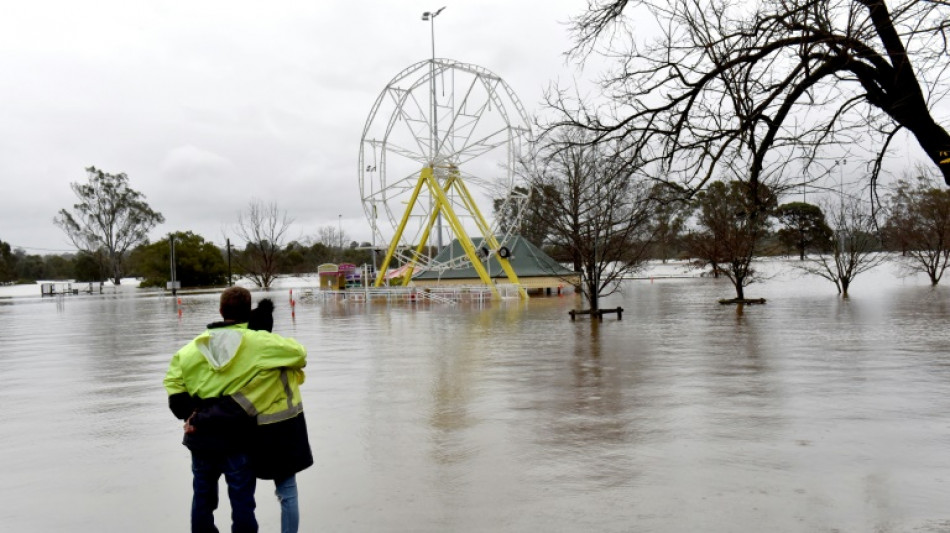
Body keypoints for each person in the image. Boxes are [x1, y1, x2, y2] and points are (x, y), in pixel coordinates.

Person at [164, 287, 307, 533]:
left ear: (220, 310)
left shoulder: (191, 349)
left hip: (200, 435)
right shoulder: (259, 342)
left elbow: (173, 385)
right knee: (242, 502)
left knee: (202, 499)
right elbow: (299, 355)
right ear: (249, 312)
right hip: (237, 435)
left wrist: (191, 415)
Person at [240, 298, 313, 533]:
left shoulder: (246, 355)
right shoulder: (285, 352)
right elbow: (301, 354)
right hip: (289, 427)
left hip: (258, 428)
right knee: (288, 491)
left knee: (243, 489)